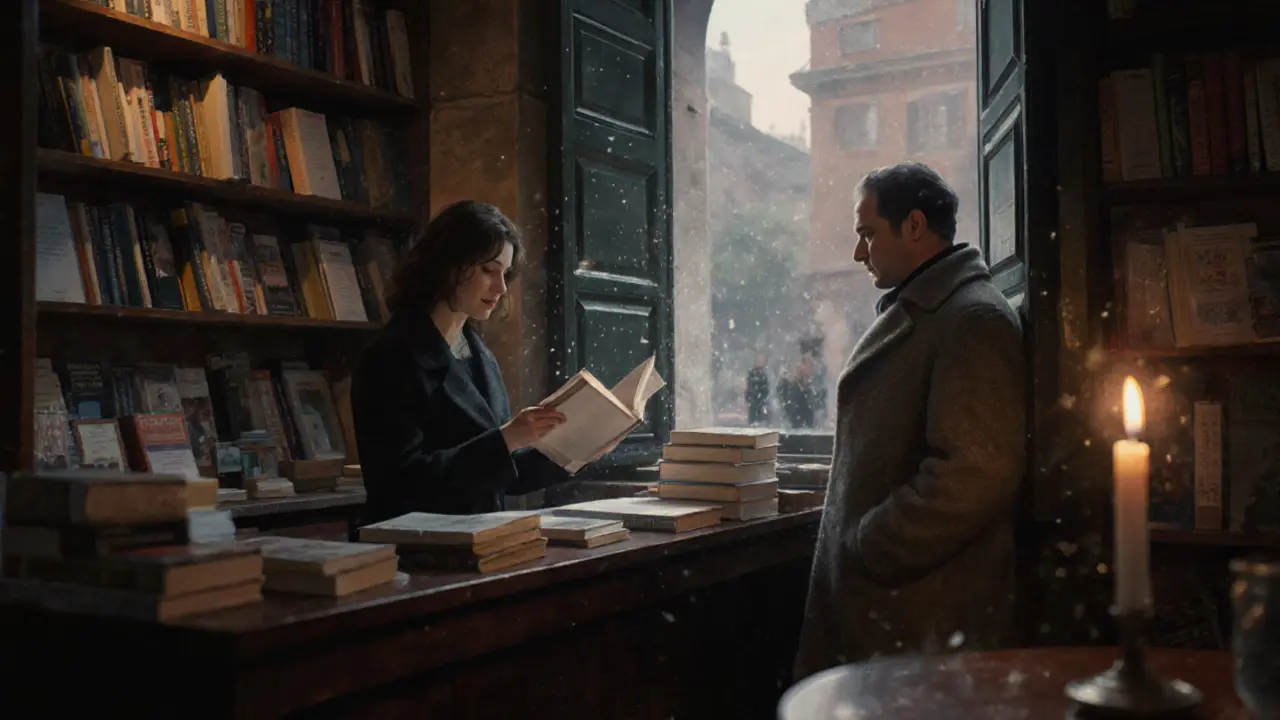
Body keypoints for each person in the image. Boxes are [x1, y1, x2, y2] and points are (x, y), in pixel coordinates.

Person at [793, 162, 1026, 680]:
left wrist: (869, 542)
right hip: (901, 610)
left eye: (868, 234)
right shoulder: (929, 311)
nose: (858, 253)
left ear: (915, 227)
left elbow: (975, 473)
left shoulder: (972, 319)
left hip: (924, 612)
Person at [351, 200, 571, 522]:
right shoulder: (390, 356)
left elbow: (501, 476)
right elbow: (398, 485)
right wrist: (506, 439)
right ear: (447, 265)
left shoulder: (478, 353)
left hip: (481, 541)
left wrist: (573, 452)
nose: (500, 287)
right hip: (416, 550)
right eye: (487, 270)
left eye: (506, 273)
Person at [745, 353, 771, 426]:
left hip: (761, 404)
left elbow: (766, 390)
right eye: (759, 360)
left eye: (762, 360)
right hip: (754, 404)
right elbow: (749, 388)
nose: (760, 362)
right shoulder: (752, 373)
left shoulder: (764, 375)